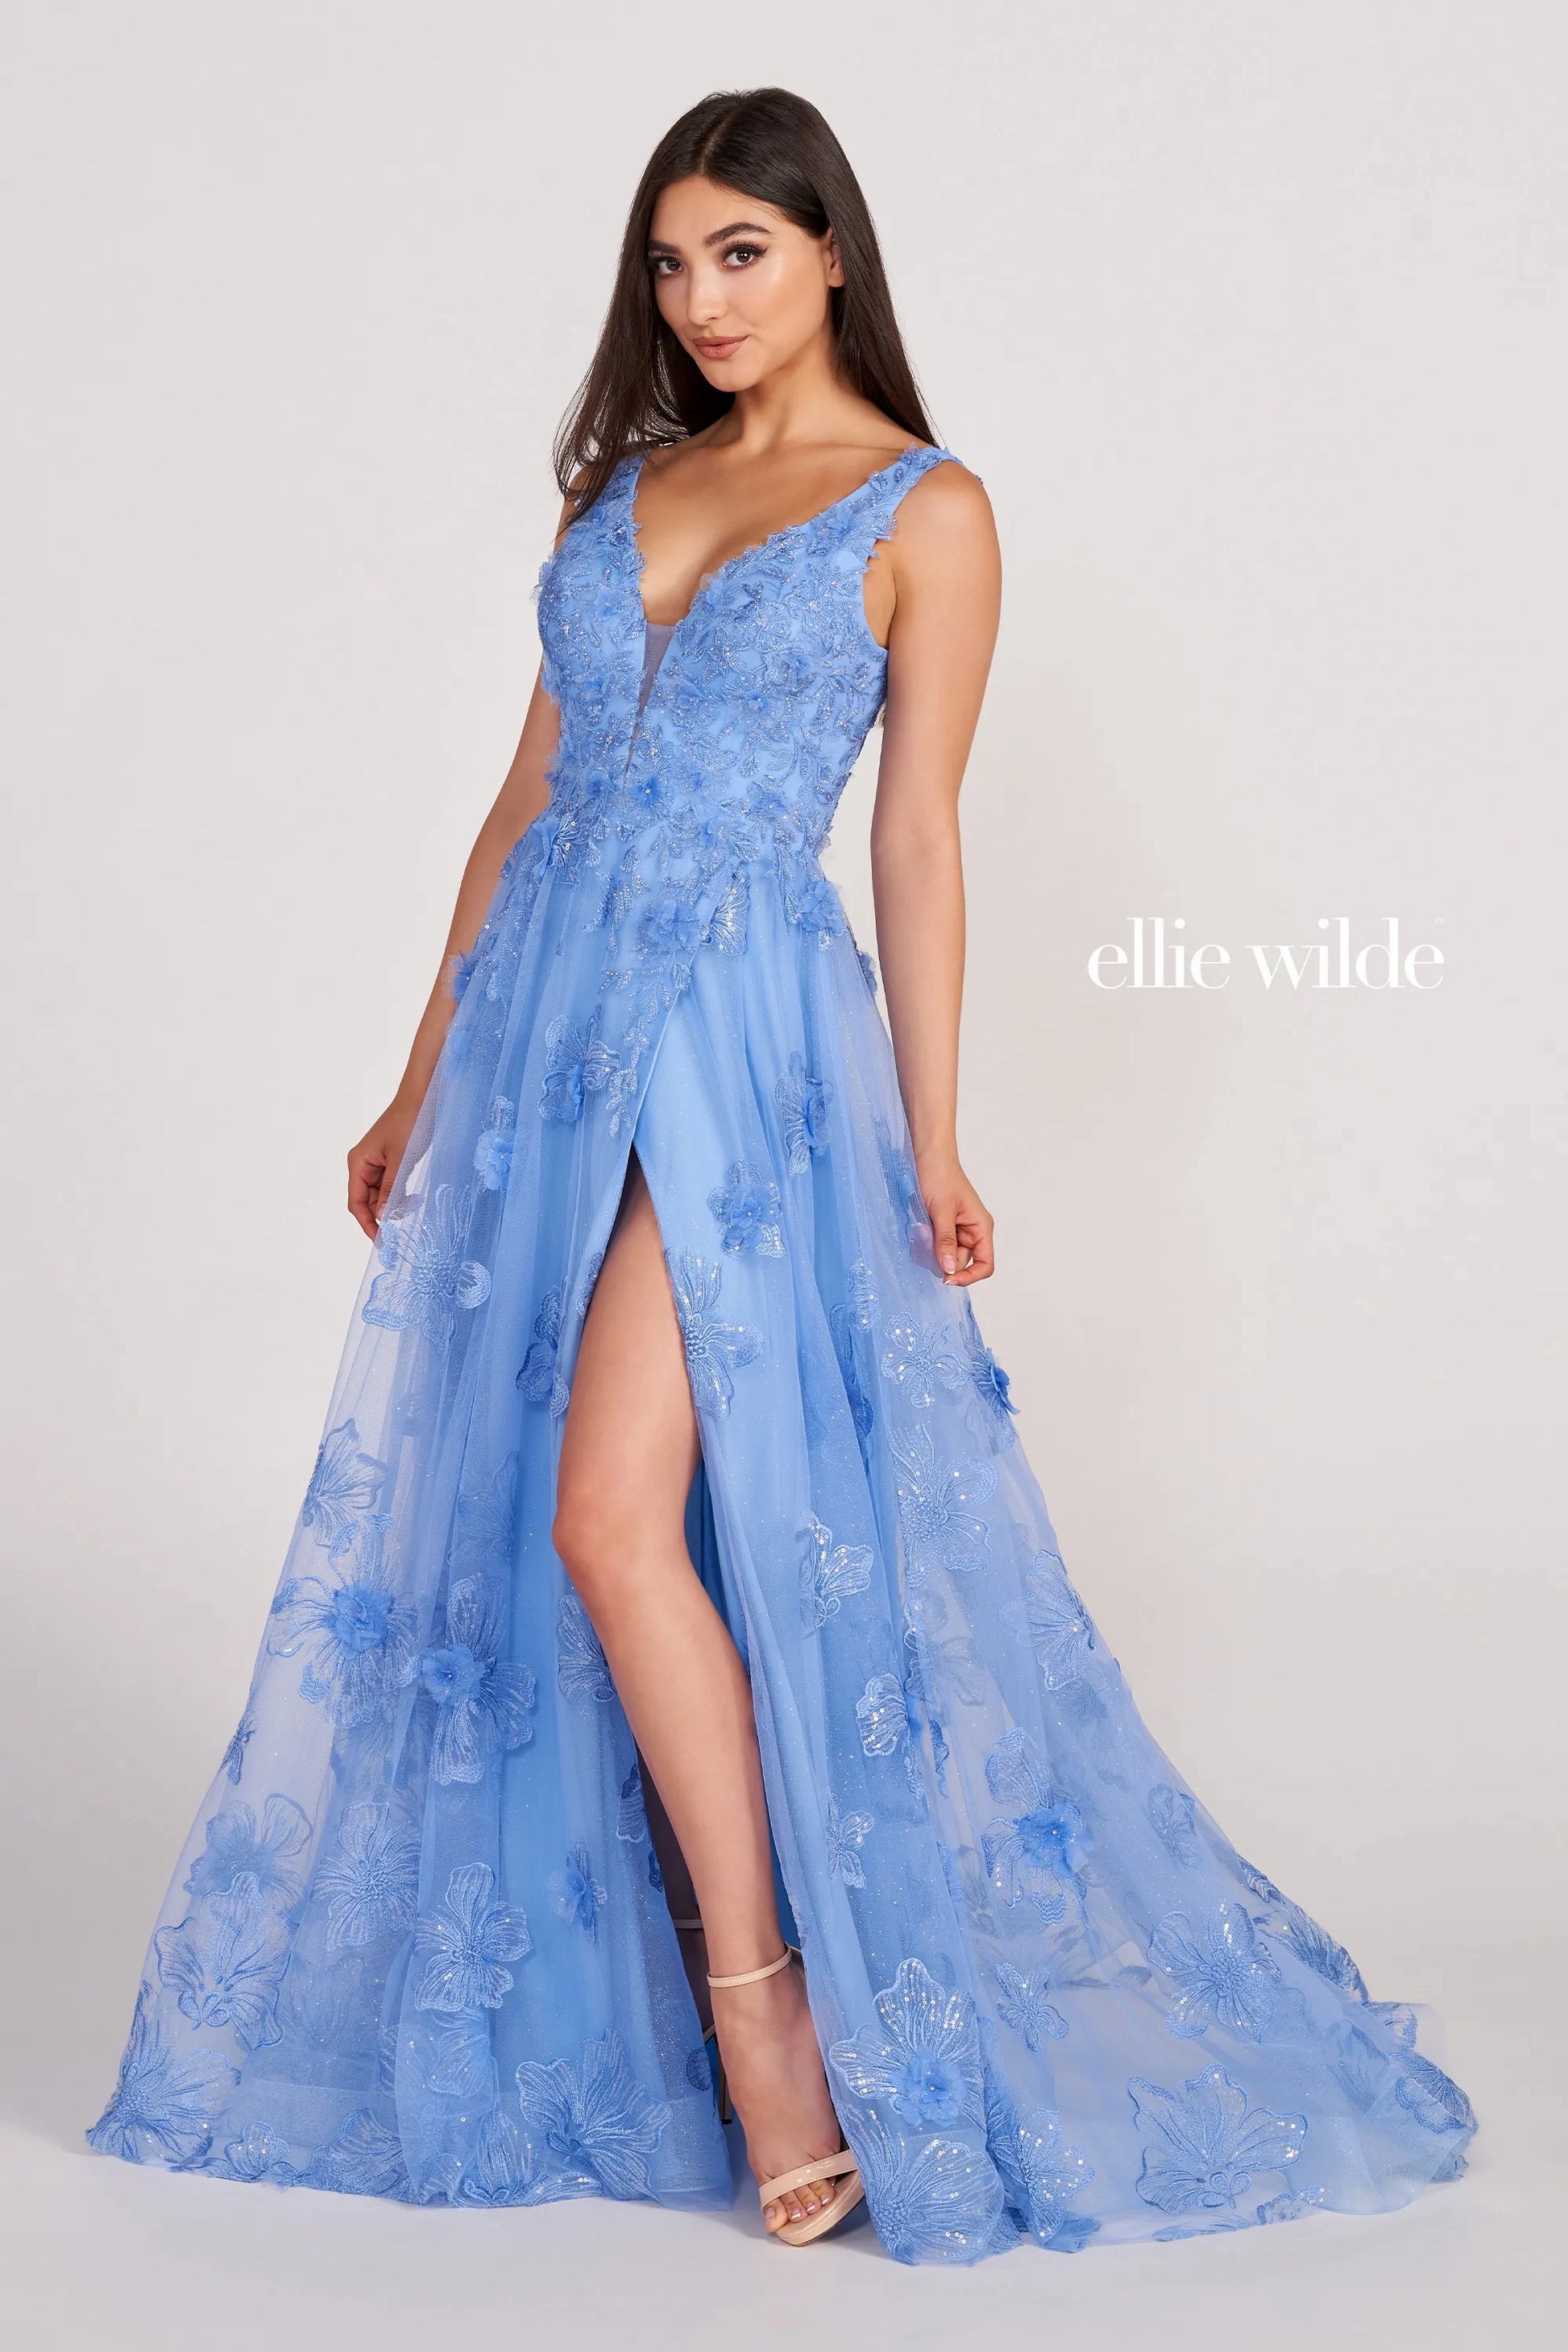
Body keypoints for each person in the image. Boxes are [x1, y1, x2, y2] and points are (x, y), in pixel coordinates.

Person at [89, 85, 1475, 2261]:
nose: (700, 299)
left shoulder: (924, 508)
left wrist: (935, 1134)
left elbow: (916, 835)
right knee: (536, 1520)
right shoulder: (626, 490)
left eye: (739, 250)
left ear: (832, 251)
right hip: (546, 1033)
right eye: (670, 263)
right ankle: (688, 1973)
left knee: (604, 1514)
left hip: (740, 1046)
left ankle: (770, 2015)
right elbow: (522, 805)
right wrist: (414, 1083)